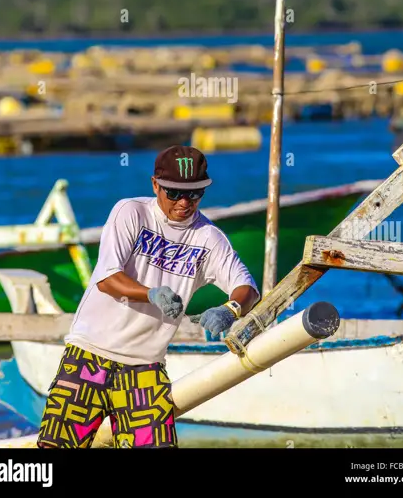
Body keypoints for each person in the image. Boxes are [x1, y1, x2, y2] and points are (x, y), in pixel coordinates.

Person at [37, 145, 259, 449]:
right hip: (89, 356)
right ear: (155, 184)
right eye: (174, 193)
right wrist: (150, 294)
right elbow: (106, 279)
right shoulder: (131, 212)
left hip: (145, 368)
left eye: (194, 194)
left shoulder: (209, 238)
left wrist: (231, 309)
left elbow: (248, 288)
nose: (184, 203)